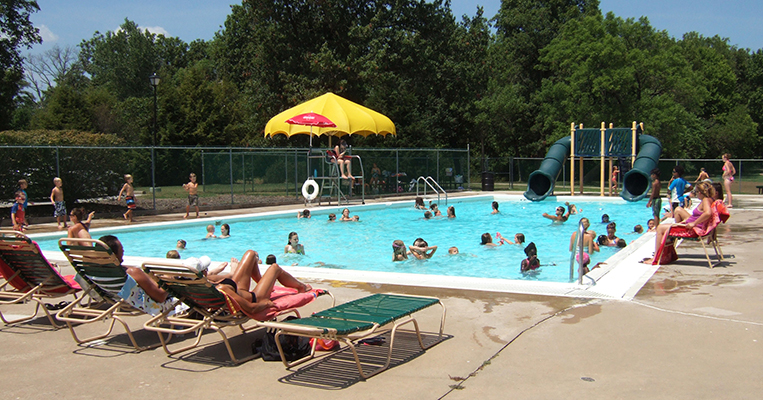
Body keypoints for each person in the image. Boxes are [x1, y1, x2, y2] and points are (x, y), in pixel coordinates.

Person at [214, 252, 314, 315]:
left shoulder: (207, 283)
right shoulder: (222, 289)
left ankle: (263, 283)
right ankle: (302, 287)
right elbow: (251, 308)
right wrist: (265, 304)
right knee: (275, 268)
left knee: (251, 254)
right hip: (255, 298)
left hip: (237, 289)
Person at [641, 182, 717, 264]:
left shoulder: (705, 200)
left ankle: (656, 257)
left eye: (696, 192)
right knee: (675, 214)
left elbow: (708, 213)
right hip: (695, 227)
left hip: (693, 230)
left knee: (660, 228)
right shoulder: (710, 199)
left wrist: (694, 223)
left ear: (699, 192)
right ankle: (666, 255)